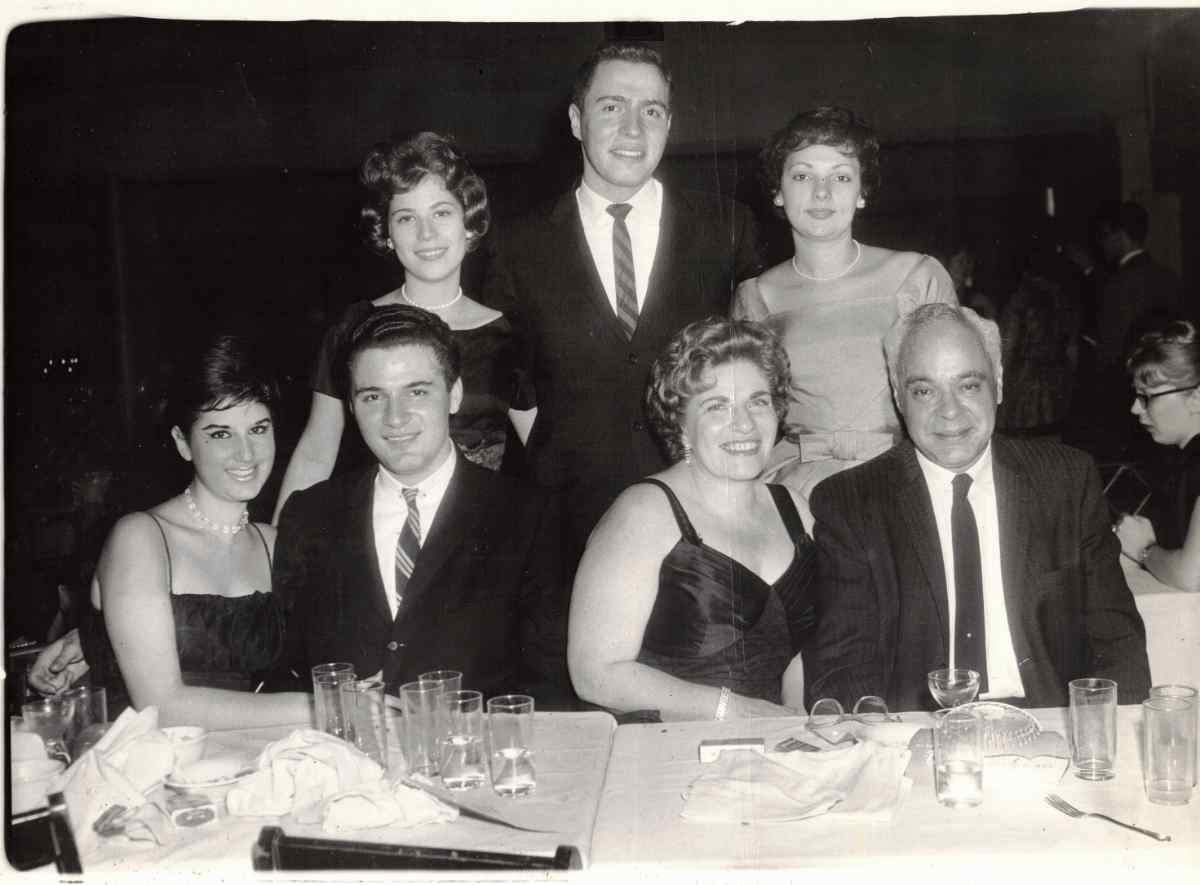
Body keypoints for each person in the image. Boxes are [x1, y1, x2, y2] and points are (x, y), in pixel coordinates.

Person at [483, 42, 762, 568]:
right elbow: (510, 381)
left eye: (651, 111)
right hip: (567, 528)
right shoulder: (517, 244)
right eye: (612, 107)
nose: (633, 129)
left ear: (669, 124)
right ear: (576, 121)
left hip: (702, 518)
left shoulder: (727, 228)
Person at [806, 302, 1150, 711]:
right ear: (898, 397)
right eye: (924, 391)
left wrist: (1100, 734)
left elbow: (1117, 639)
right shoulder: (851, 502)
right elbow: (843, 667)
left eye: (968, 385)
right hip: (915, 731)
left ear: (998, 384)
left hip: (1049, 723)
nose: (949, 411)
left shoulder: (1065, 481)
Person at [273, 305, 572, 706]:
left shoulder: (529, 516)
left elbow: (547, 687)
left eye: (416, 392)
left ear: (454, 395)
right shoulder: (309, 516)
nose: (395, 418)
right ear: (352, 407)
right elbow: (286, 672)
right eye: (373, 396)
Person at [31, 334, 312, 728]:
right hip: (151, 761)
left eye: (258, 429)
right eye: (220, 434)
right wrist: (322, 705)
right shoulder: (140, 537)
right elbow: (162, 706)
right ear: (183, 443)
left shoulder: (274, 543)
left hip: (251, 757)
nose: (246, 453)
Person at [273, 132, 534, 522]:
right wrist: (279, 543)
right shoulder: (353, 329)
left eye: (441, 213)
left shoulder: (508, 336)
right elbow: (316, 453)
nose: (426, 234)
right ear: (387, 234)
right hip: (376, 527)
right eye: (406, 218)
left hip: (480, 533)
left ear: (468, 223)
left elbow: (546, 456)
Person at [568, 318, 814, 720]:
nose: (745, 424)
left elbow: (800, 651)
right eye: (717, 406)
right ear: (680, 423)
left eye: (758, 401)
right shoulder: (643, 513)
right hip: (664, 743)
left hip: (770, 741)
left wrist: (796, 726)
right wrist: (734, 710)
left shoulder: (796, 509)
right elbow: (595, 675)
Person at [732, 106, 956, 526]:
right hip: (797, 492)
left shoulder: (917, 276)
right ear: (778, 192)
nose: (821, 193)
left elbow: (953, 402)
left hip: (902, 485)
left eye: (840, 177)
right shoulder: (755, 297)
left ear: (861, 192)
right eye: (802, 176)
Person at [1116, 319, 1200, 592]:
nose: (1135, 408)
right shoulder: (1185, 461)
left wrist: (1144, 549)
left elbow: (1189, 576)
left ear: (1196, 398)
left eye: (1147, 397)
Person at [1094, 200, 1184, 377]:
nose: (1102, 244)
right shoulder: (1168, 275)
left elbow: (1111, 349)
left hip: (1131, 377)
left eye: (1105, 235)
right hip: (1168, 371)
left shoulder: (1118, 283)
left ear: (1120, 236)